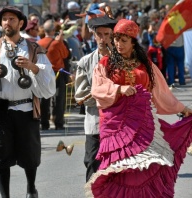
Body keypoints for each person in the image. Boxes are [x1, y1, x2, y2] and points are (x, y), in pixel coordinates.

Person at [85, 19, 192, 197]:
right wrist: (119, 89)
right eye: (116, 39)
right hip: (116, 126)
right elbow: (98, 88)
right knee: (121, 169)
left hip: (143, 124)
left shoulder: (145, 65)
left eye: (124, 40)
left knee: (143, 167)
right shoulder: (105, 63)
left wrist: (182, 108)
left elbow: (161, 92)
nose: (118, 44)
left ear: (133, 42)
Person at [0, 6, 56, 198]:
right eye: (4, 19)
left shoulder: (33, 48)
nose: (8, 22)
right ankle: (4, 196)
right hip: (0, 109)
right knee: (2, 155)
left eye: (12, 19)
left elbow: (49, 79)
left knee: (30, 155)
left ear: (21, 23)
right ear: (1, 23)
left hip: (26, 108)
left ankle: (31, 189)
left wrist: (33, 67)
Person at [74, 13, 117, 182]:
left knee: (119, 166)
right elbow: (81, 96)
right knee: (92, 162)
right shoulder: (85, 62)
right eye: (99, 34)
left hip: (119, 123)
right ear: (94, 35)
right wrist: (107, 93)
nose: (103, 39)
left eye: (107, 35)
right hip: (95, 123)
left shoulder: (123, 61)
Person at [38, 19, 69, 130]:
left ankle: (44, 122)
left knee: (43, 99)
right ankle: (58, 122)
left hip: (43, 72)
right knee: (58, 99)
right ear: (53, 30)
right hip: (56, 73)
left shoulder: (38, 43)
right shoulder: (56, 43)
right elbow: (65, 55)